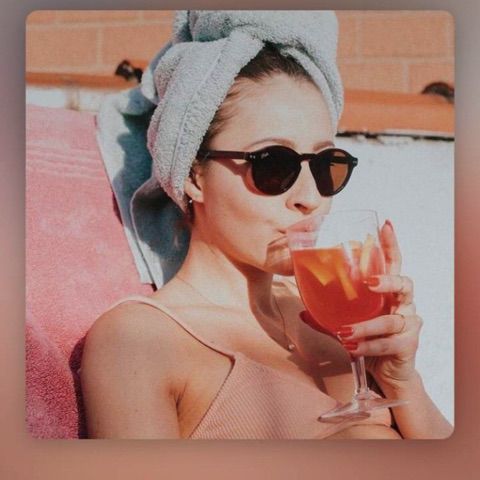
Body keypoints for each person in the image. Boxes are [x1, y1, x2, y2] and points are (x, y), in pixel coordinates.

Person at [81, 11, 453, 439]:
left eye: (326, 166)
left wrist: (400, 380)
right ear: (193, 176)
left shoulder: (337, 318)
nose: (310, 197)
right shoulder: (140, 340)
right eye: (274, 165)